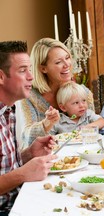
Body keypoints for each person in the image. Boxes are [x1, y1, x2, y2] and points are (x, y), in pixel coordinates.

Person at [0, 41, 57, 215]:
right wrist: (23, 174)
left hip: (20, 200)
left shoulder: (9, 110)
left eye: (30, 70)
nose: (31, 76)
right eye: (23, 70)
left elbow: (5, 167)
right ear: (1, 77)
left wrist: (29, 154)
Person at [19, 38, 95, 147]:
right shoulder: (29, 97)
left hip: (79, 154)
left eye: (67, 58)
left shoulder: (83, 92)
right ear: (43, 68)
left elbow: (93, 125)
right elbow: (26, 136)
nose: (67, 64)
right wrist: (46, 123)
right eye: (58, 62)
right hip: (41, 157)